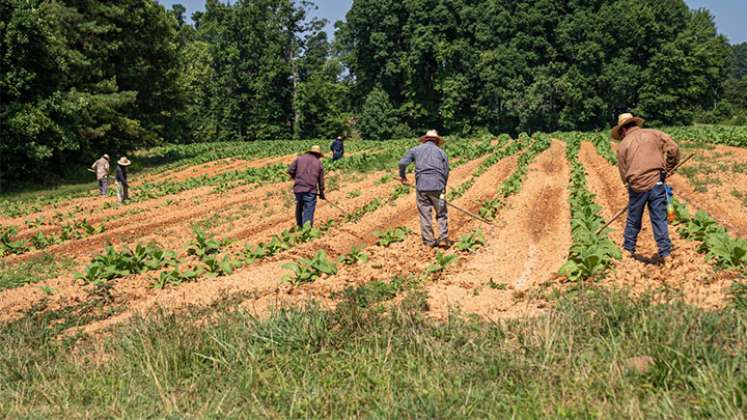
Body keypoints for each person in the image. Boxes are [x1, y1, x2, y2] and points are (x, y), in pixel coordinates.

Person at [613, 113, 680, 265]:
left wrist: (628, 183)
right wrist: (669, 168)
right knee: (659, 219)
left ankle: (628, 250)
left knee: (633, 219)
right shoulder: (654, 134)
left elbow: (623, 172)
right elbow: (673, 147)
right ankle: (666, 253)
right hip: (657, 182)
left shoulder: (623, 145)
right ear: (635, 124)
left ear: (623, 130)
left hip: (637, 185)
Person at [399, 129, 451, 248]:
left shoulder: (415, 150)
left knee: (425, 214)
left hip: (421, 187)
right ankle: (443, 238)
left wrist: (403, 176)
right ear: (437, 141)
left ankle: (428, 242)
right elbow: (446, 171)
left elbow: (402, 163)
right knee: (441, 213)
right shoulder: (441, 153)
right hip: (439, 187)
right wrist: (443, 187)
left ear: (425, 140)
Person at [288, 145, 326, 227]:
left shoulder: (299, 159)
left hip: (298, 188)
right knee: (308, 209)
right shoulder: (318, 163)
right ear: (318, 154)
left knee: (299, 206)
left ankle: (299, 226)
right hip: (310, 190)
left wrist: (296, 178)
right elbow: (321, 180)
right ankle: (306, 230)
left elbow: (290, 170)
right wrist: (322, 192)